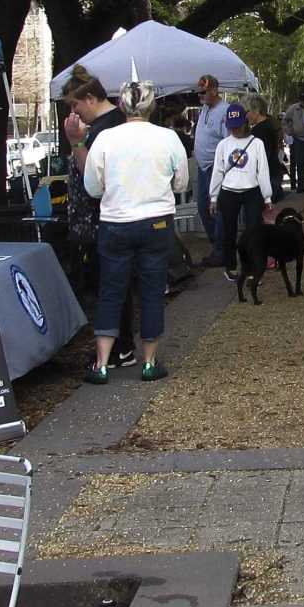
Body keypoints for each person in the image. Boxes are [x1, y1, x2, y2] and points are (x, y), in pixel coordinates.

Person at [81, 80, 190, 383]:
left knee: (111, 291)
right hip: (156, 220)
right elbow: (181, 183)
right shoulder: (168, 138)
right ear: (152, 106)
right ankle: (150, 361)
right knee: (152, 290)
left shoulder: (104, 138)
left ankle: (102, 363)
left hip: (115, 221)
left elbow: (92, 186)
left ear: (121, 105)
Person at [209, 103, 276, 279]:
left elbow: (262, 171)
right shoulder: (223, 145)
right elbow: (218, 171)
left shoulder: (256, 143)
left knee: (254, 232)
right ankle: (230, 265)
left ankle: (253, 267)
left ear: (245, 123)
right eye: (232, 127)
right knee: (228, 231)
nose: (235, 130)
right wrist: (214, 197)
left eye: (237, 126)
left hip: (251, 191)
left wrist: (267, 196)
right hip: (229, 191)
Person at [190, 74, 231, 266]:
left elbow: (227, 141)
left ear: (214, 90)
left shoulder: (224, 111)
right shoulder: (205, 109)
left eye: (204, 92)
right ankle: (218, 245)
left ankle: (222, 250)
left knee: (217, 208)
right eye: (199, 93)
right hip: (203, 165)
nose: (201, 96)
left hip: (216, 166)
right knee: (203, 207)